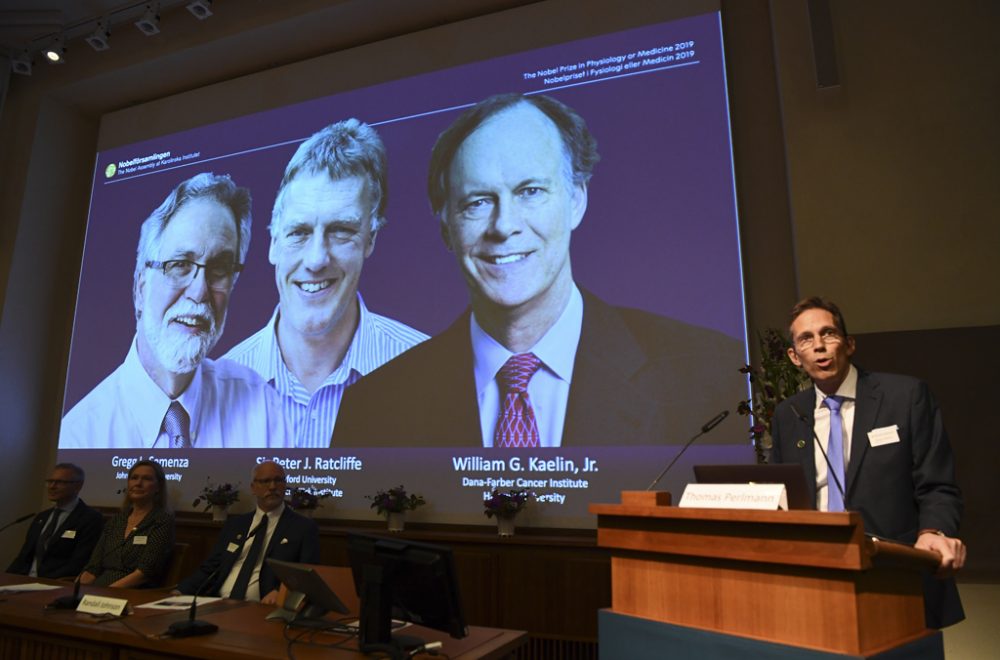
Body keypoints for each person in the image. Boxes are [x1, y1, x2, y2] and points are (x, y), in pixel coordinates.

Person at [333, 93, 743, 447]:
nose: (504, 225)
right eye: (477, 202)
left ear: (577, 200)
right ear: (446, 227)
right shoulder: (375, 406)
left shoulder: (709, 375)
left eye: (530, 192)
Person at [224, 120, 427, 448]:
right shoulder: (217, 386)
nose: (317, 259)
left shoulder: (431, 373)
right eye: (299, 232)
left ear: (369, 240)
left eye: (341, 231)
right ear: (273, 243)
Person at [770, 296, 965, 628]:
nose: (819, 346)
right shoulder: (788, 414)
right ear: (794, 356)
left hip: (895, 573)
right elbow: (782, 495)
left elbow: (937, 485)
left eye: (828, 334)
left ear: (849, 344)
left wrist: (934, 530)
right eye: (806, 339)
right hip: (817, 574)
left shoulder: (904, 396)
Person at [59, 172, 291, 449]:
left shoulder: (263, 408)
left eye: (219, 268)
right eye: (180, 264)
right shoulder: (80, 436)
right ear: (140, 288)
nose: (199, 291)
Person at [176, 461, 320, 603]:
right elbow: (212, 567)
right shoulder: (236, 525)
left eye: (278, 480)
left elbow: (306, 576)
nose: (272, 487)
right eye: (265, 481)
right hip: (219, 602)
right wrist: (180, 591)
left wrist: (281, 593)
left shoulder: (303, 527)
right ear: (253, 488)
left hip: (262, 607)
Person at [80, 460, 175, 588]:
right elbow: (93, 568)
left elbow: (144, 573)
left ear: (158, 487)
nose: (138, 483)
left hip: (132, 592)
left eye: (146, 479)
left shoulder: (161, 521)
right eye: (134, 478)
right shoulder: (116, 520)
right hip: (99, 590)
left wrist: (106, 592)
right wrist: (75, 592)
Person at [7, 463, 103, 579]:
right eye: (50, 481)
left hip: (56, 584)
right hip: (24, 580)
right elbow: (24, 557)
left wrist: (44, 582)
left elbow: (78, 563)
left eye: (60, 482)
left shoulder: (90, 519)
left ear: (78, 486)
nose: (52, 486)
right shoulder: (41, 517)